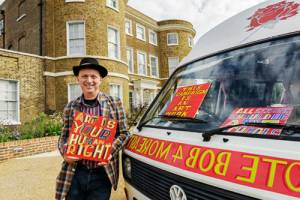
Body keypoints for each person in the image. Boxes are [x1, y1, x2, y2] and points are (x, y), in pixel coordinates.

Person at [55, 57, 130, 200]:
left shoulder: (115, 103)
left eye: (93, 76)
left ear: (100, 79)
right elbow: (63, 136)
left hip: (102, 173)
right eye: (84, 76)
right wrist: (65, 153)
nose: (89, 80)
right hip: (75, 172)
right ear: (78, 79)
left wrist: (108, 151)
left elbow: (124, 134)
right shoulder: (70, 107)